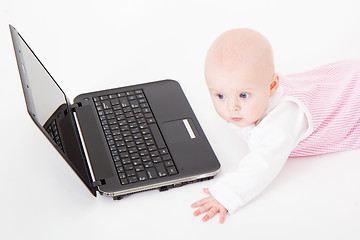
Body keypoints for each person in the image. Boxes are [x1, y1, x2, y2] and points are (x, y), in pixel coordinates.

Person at [191, 28, 360, 224]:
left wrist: (226, 195)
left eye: (243, 95)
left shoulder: (281, 121)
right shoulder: (256, 86)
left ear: (272, 86)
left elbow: (263, 163)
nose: (232, 107)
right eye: (220, 96)